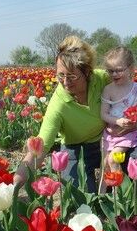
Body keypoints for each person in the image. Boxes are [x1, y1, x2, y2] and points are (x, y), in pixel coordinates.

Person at [14, 35, 111, 193]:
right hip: (76, 149)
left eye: (72, 76)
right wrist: (15, 183)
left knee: (136, 162)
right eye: (61, 75)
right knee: (82, 193)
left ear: (87, 72)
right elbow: (41, 146)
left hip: (107, 143)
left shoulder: (101, 80)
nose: (65, 82)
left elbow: (127, 88)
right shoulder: (58, 103)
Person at [100, 47, 137, 190]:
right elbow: (104, 114)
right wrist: (117, 121)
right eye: (111, 71)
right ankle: (100, 197)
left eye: (119, 70)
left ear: (131, 68)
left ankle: (122, 193)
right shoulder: (108, 89)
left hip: (128, 134)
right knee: (105, 164)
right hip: (109, 135)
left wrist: (133, 122)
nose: (114, 74)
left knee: (113, 159)